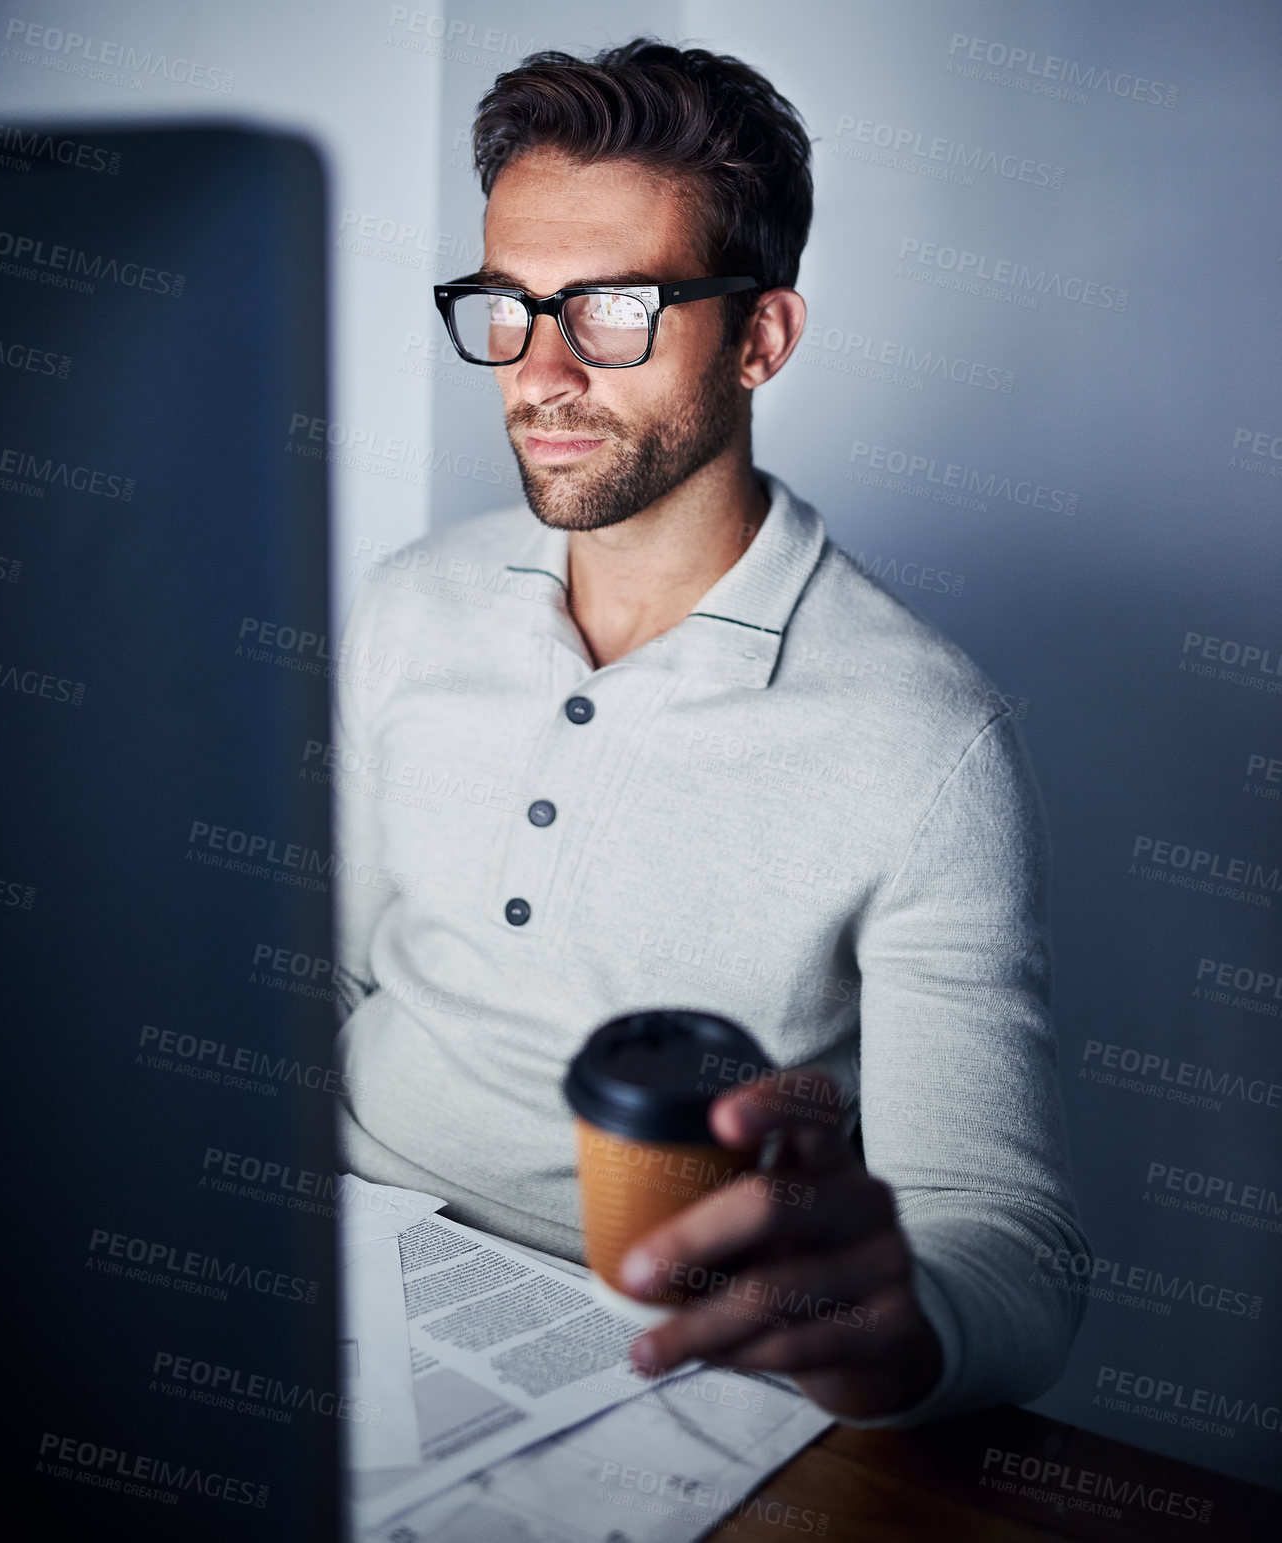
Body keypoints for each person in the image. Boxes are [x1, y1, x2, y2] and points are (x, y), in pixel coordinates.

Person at [332, 38, 1091, 1425]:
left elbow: (1007, 1243)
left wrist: (896, 1327)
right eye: (507, 306)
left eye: (612, 310)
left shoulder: (929, 740)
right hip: (337, 1273)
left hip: (657, 1372)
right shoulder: (408, 605)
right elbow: (315, 984)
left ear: (762, 338)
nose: (540, 373)